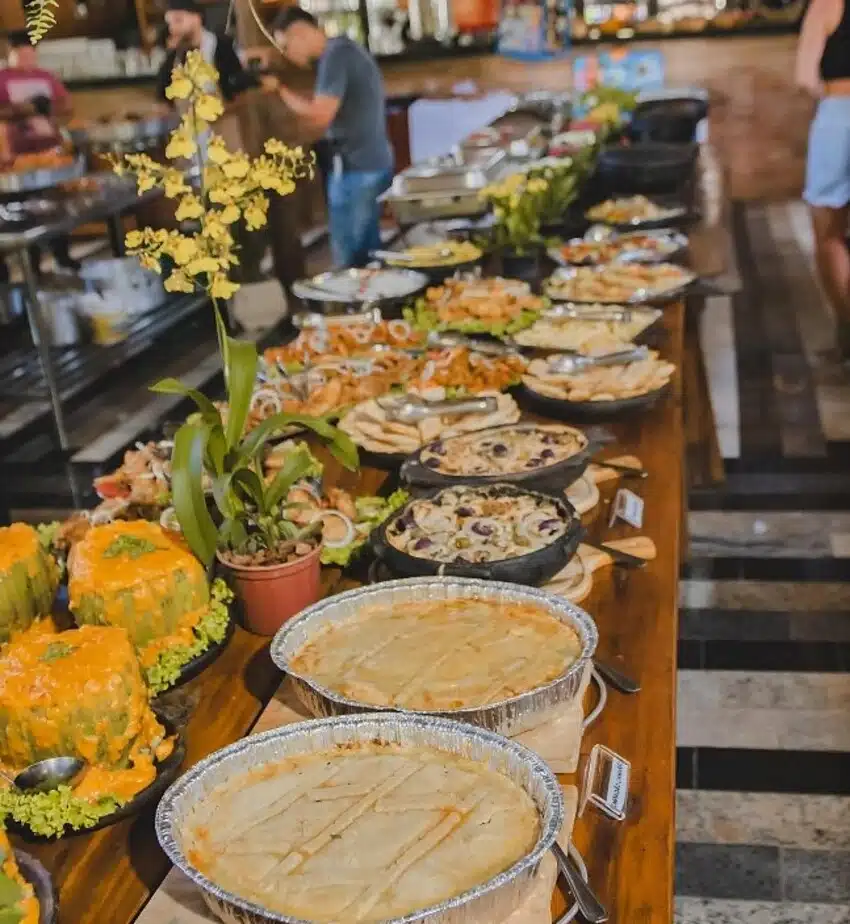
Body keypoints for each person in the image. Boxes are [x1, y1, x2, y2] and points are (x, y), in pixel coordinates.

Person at [272, 7, 393, 268]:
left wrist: (279, 92)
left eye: (285, 46)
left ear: (299, 33)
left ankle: (356, 309)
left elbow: (319, 116)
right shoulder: (343, 51)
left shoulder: (336, 56)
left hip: (357, 169)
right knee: (369, 258)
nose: (287, 56)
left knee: (349, 265)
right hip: (369, 163)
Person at [0, 30, 78, 278]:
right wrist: (25, 109)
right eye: (21, 54)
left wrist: (51, 108)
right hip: (18, 157)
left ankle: (62, 255)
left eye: (30, 53)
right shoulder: (2, 79)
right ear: (9, 54)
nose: (26, 58)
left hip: (50, 152)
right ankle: (32, 264)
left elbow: (66, 107)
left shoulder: (47, 77)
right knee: (25, 211)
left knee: (56, 206)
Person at [797, 0, 850, 359]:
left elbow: (804, 76)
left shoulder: (827, 4)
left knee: (829, 232)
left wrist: (831, 99)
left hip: (839, 114)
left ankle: (847, 328)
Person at [156, 0, 257, 105]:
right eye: (170, 23)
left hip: (226, 117)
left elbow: (239, 87)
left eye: (178, 20)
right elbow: (162, 96)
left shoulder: (222, 46)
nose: (173, 28)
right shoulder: (174, 57)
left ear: (197, 18)